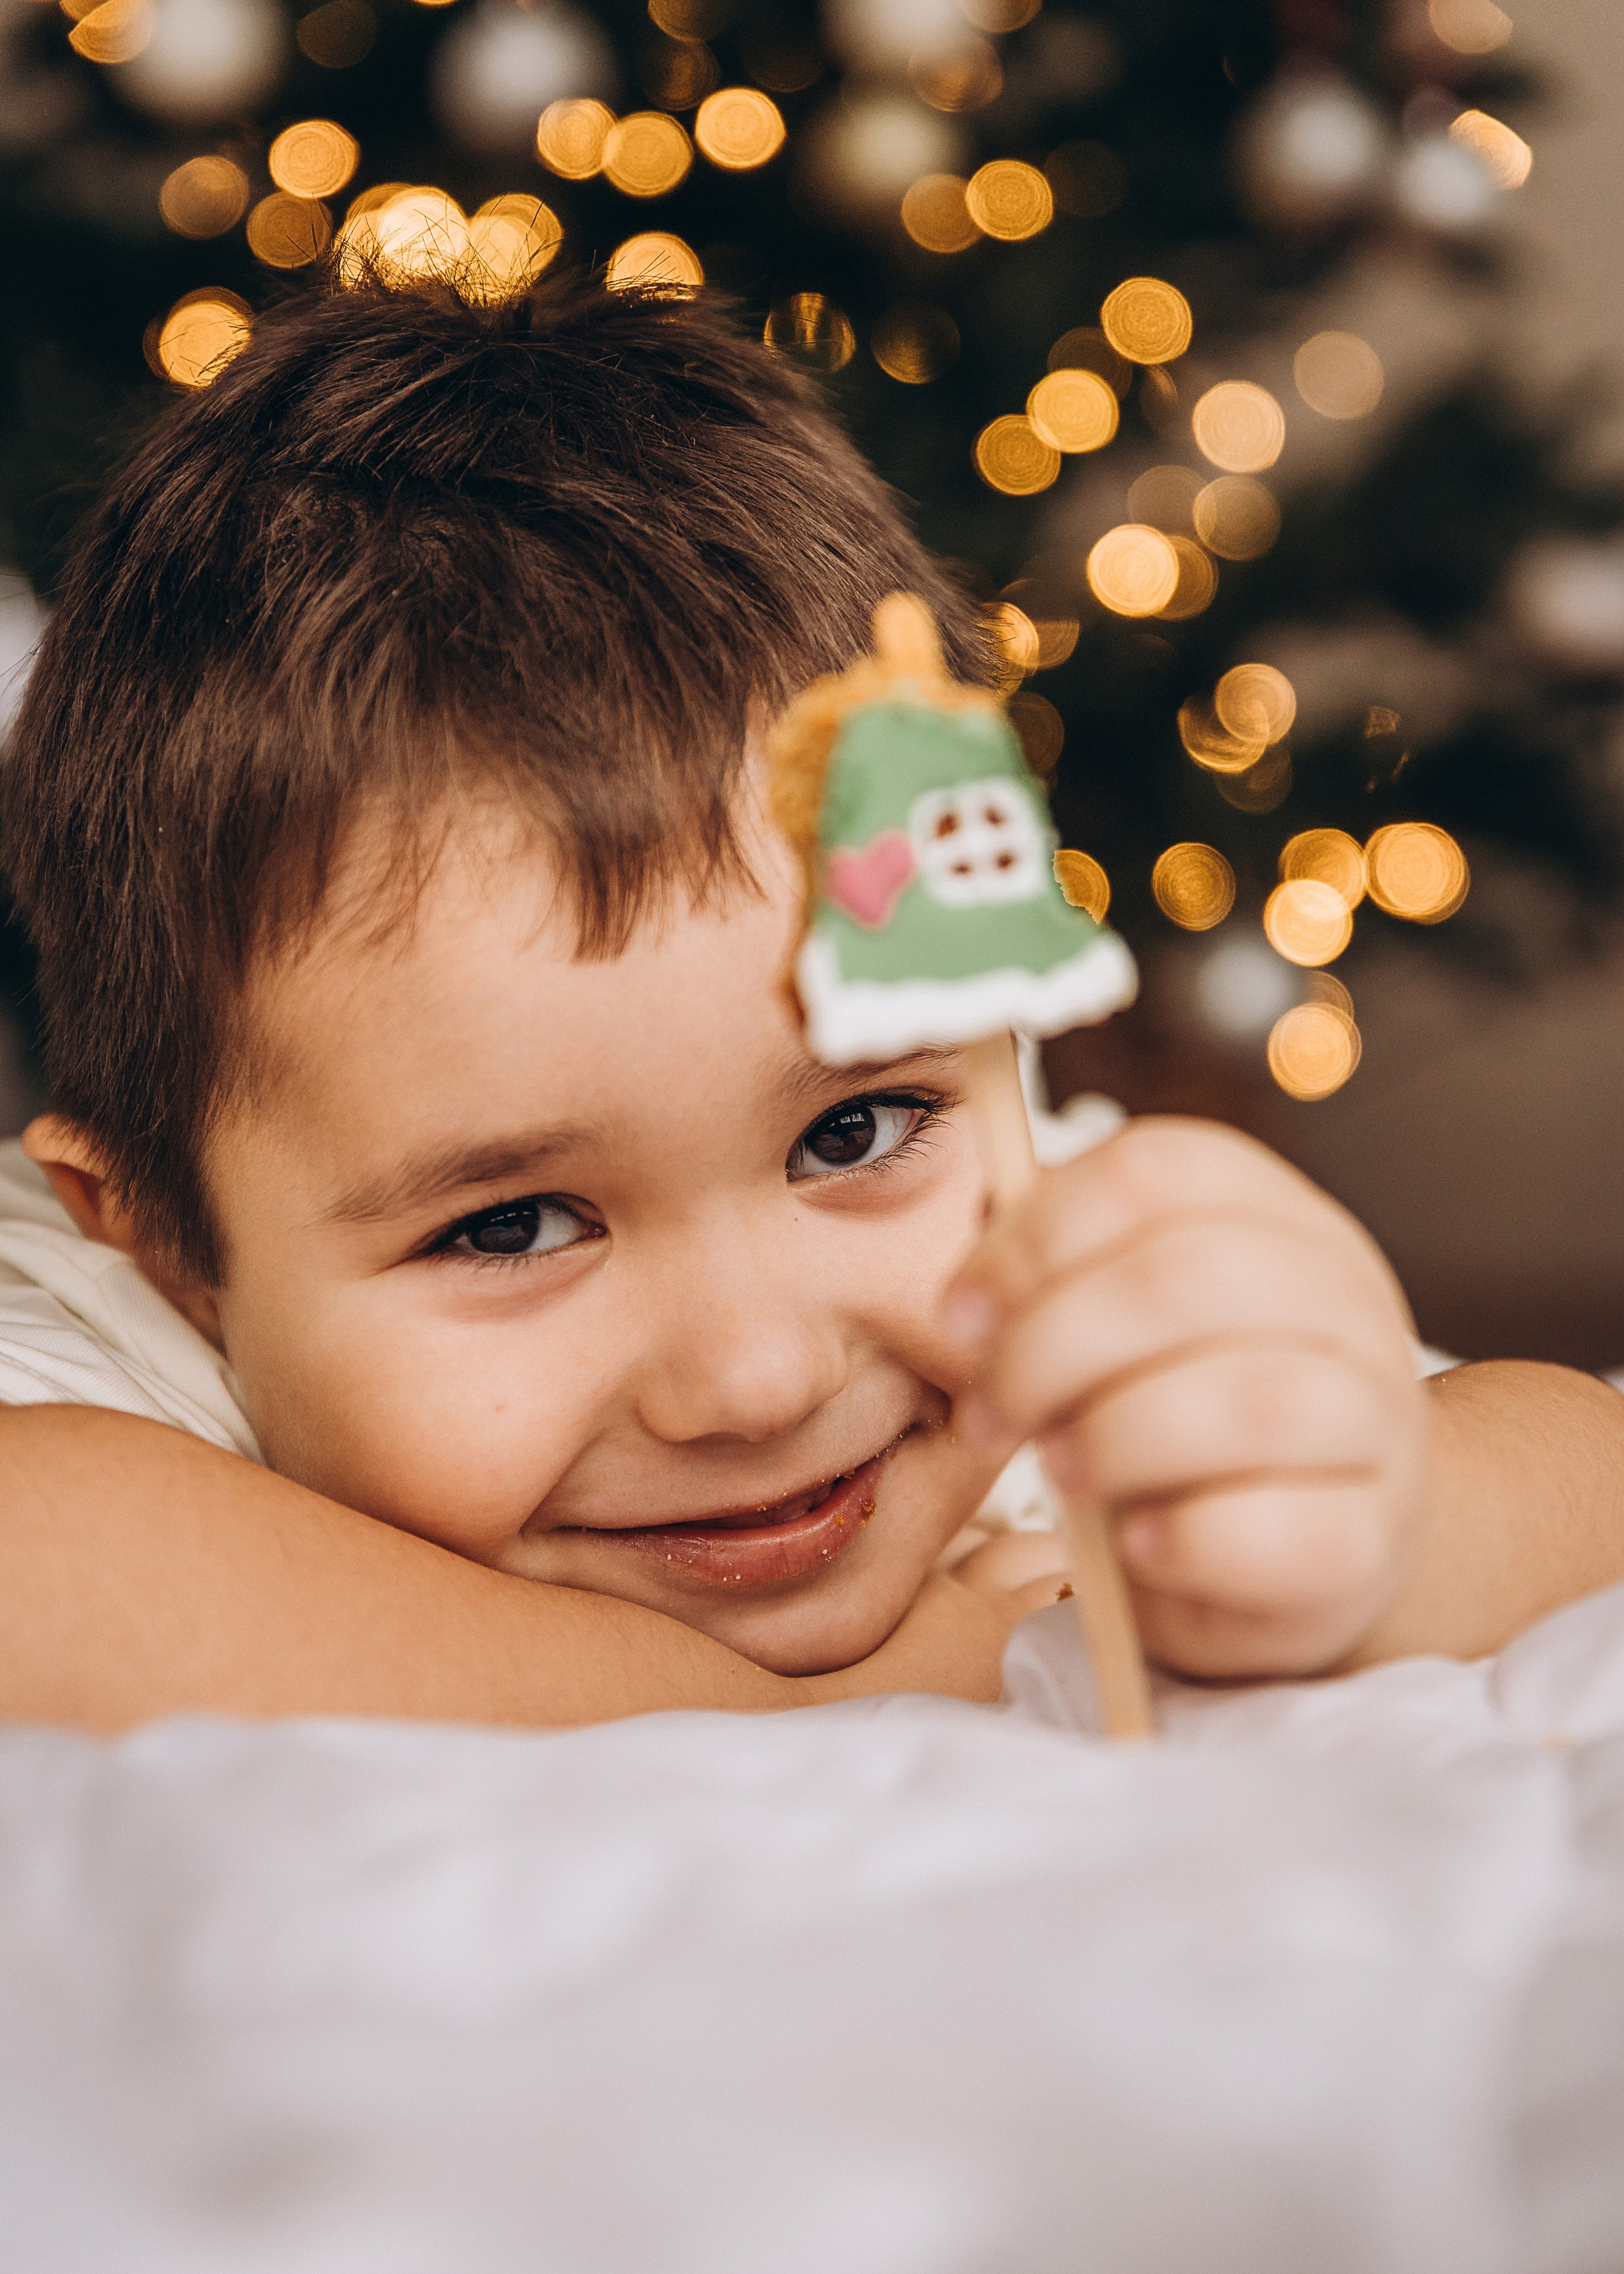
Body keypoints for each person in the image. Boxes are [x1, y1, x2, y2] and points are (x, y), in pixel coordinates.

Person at [1, 272, 1620, 1737]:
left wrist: (1370, 1516)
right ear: (169, 1247)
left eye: (854, 1127)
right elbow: (50, 1576)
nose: (758, 1381)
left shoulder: (1048, 1229)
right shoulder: (92, 1330)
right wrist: (923, 1686)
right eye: (509, 1226)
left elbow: (1578, 1471)